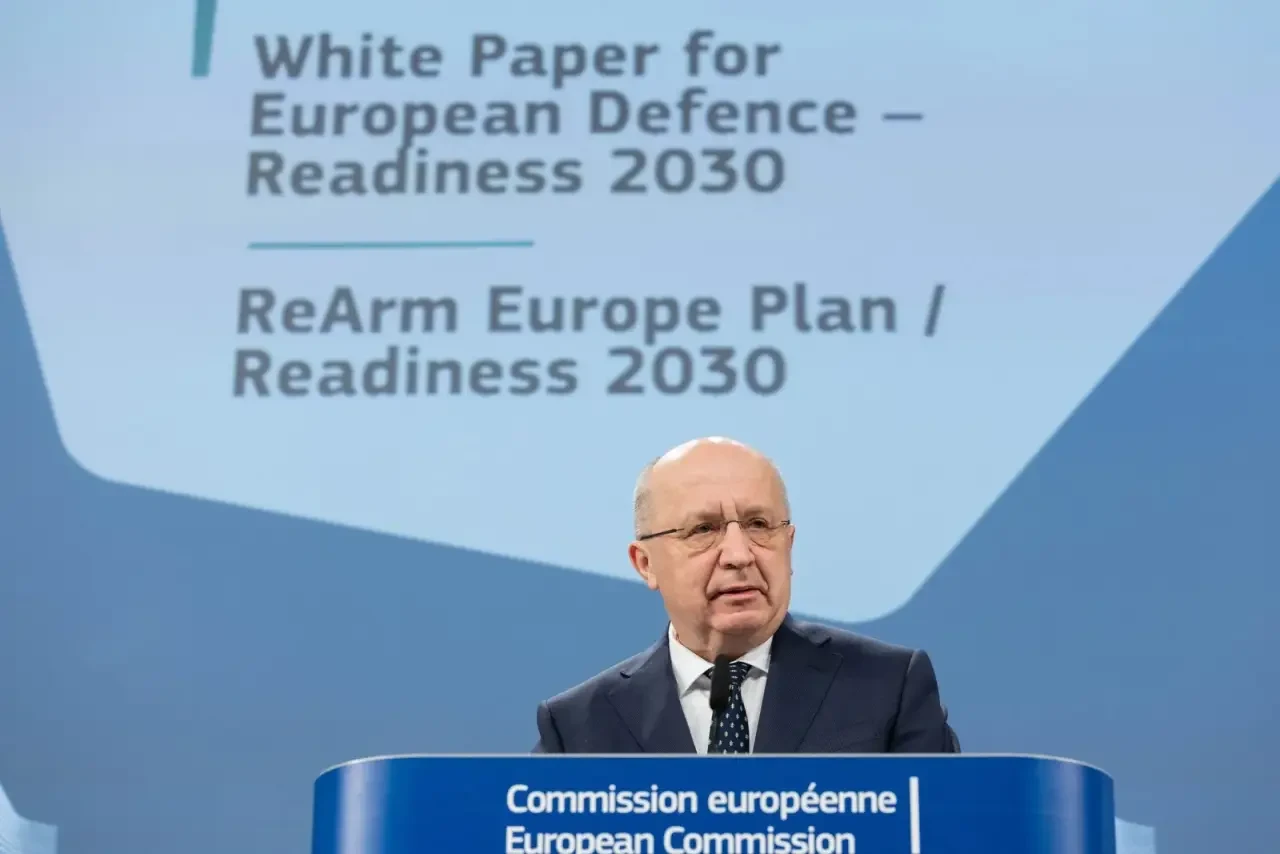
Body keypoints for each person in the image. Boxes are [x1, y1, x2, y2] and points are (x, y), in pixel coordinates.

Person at [532, 436, 959, 754]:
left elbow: (943, 831)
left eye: (759, 525)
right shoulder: (577, 726)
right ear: (645, 564)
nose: (739, 555)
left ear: (788, 545)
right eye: (703, 529)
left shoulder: (889, 687)